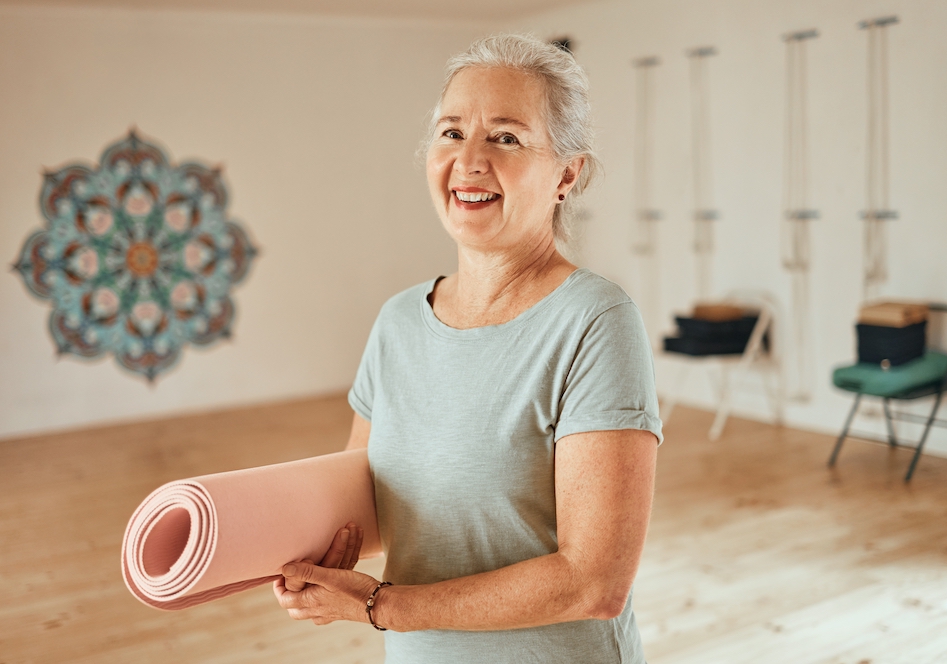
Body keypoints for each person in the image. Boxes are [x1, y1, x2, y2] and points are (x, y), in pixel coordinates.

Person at [274, 33, 662, 664]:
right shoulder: (398, 320)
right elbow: (362, 505)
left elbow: (594, 582)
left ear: (568, 174)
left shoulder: (596, 322)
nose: (470, 160)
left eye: (506, 137)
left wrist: (382, 607)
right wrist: (286, 554)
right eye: (451, 132)